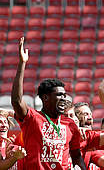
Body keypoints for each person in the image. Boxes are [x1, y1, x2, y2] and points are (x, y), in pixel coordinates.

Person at [11, 37, 86, 169]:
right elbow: (17, 101)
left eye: (65, 95)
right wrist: (22, 64)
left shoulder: (70, 125)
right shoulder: (32, 118)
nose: (64, 98)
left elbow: (76, 156)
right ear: (45, 98)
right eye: (59, 95)